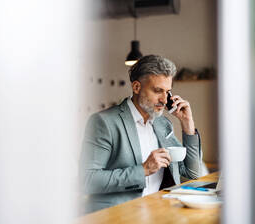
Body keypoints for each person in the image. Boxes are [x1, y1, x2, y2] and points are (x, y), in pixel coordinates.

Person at [79, 55, 202, 213]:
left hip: (159, 211)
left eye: (168, 92)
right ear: (136, 87)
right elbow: (87, 180)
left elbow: (192, 173)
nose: (165, 100)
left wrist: (187, 124)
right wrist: (142, 170)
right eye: (158, 91)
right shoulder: (104, 122)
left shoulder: (162, 124)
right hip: (118, 215)